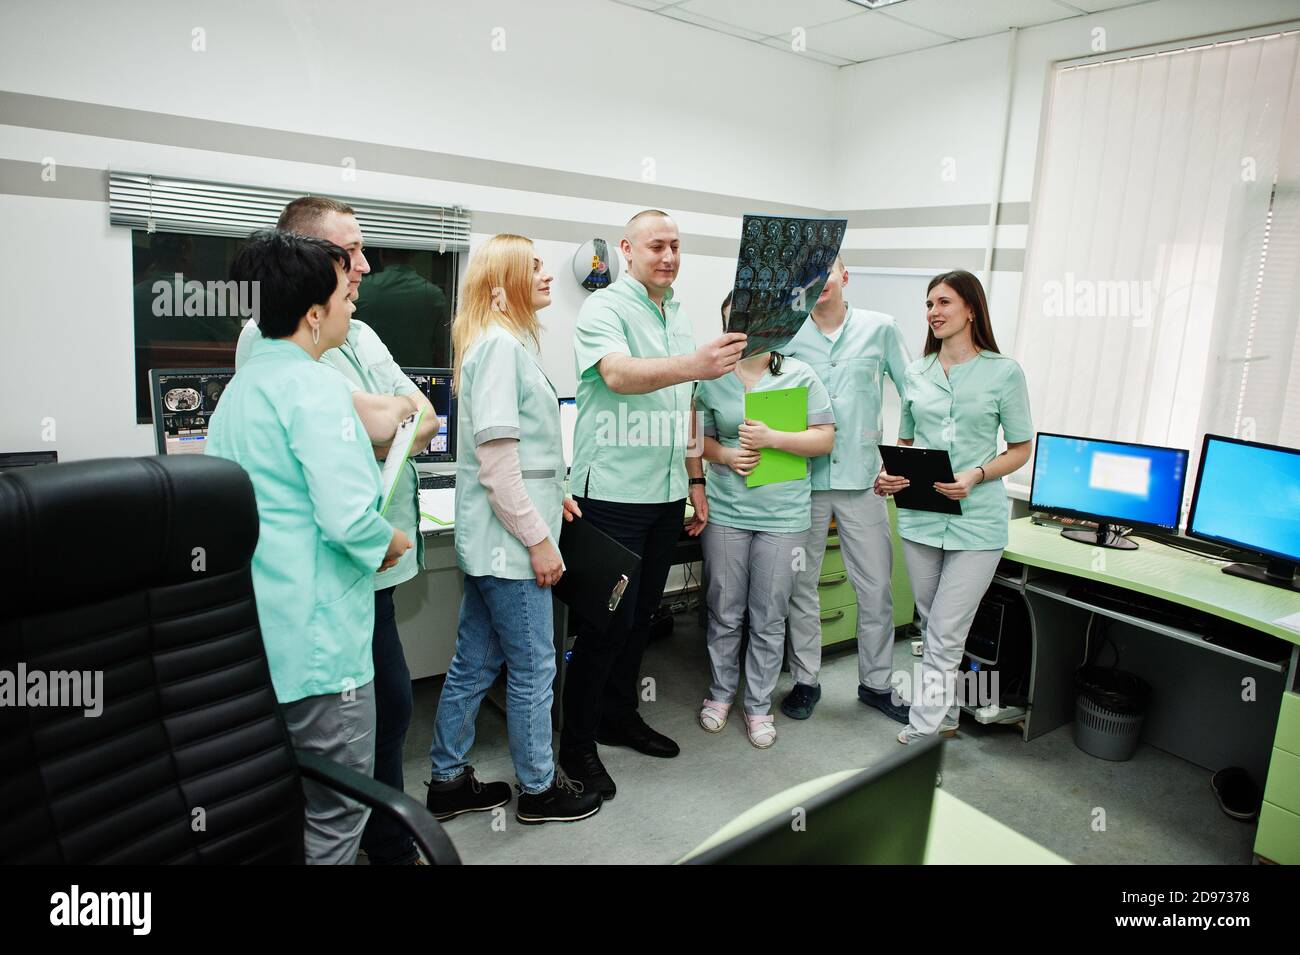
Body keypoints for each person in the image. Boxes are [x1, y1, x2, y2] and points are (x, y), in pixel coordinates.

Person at [235, 196, 438, 865]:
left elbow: (411, 413)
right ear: (315, 306)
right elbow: (350, 514)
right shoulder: (308, 384)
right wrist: (392, 540)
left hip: (281, 617)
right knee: (333, 816)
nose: (362, 279)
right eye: (348, 266)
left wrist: (394, 416)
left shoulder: (245, 387)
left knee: (312, 780)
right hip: (325, 632)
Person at [561, 209, 746, 798]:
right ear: (627, 249)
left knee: (640, 621)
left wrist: (695, 481)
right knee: (602, 626)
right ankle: (577, 745)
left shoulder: (678, 315)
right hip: (612, 494)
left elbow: (687, 405)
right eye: (655, 246)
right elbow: (617, 375)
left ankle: (619, 717)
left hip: (666, 494)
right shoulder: (605, 308)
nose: (667, 256)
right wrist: (695, 363)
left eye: (675, 246)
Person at [424, 234, 602, 825]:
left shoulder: (501, 344)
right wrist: (540, 540)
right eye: (533, 268)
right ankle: (538, 789)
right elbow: (499, 471)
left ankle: (447, 780)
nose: (548, 275)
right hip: (512, 551)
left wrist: (559, 496)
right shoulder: (499, 349)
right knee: (534, 668)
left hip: (494, 547)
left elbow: (516, 458)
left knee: (473, 664)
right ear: (502, 287)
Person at [875, 270, 1032, 744]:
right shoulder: (916, 373)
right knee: (935, 628)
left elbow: (1021, 448)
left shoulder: (1004, 372)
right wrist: (889, 477)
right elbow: (906, 442)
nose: (934, 313)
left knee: (944, 632)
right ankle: (943, 715)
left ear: (971, 309)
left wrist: (978, 474)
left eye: (944, 302)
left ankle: (921, 736)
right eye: (928, 304)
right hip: (920, 519)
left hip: (978, 524)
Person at [695, 294, 834, 747]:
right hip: (728, 511)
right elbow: (698, 443)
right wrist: (728, 454)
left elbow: (825, 439)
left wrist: (774, 438)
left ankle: (757, 704)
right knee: (724, 610)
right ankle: (720, 695)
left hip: (784, 516)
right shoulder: (711, 379)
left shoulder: (800, 375)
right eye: (735, 321)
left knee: (769, 615)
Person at [781, 256, 910, 722]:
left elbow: (912, 393)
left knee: (875, 587)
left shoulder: (881, 328)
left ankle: (876, 684)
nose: (817, 283)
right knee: (801, 585)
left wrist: (901, 458)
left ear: (845, 276)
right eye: (807, 276)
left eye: (826, 273)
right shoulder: (788, 335)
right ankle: (805, 680)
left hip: (864, 482)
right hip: (805, 480)